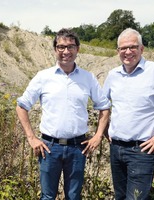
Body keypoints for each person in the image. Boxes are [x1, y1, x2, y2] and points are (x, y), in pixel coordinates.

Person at [16, 28, 111, 200]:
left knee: (74, 196)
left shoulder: (87, 78)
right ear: (55, 50)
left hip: (78, 147)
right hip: (49, 148)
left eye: (70, 47)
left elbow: (104, 106)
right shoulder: (43, 77)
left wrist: (98, 135)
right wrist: (31, 138)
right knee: (47, 196)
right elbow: (21, 106)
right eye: (61, 47)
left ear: (77, 49)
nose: (65, 51)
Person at [103, 28, 154, 200]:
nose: (128, 52)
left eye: (133, 47)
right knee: (120, 197)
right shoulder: (113, 75)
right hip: (116, 148)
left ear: (142, 49)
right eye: (123, 48)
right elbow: (104, 106)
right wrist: (104, 132)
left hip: (141, 151)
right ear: (117, 51)